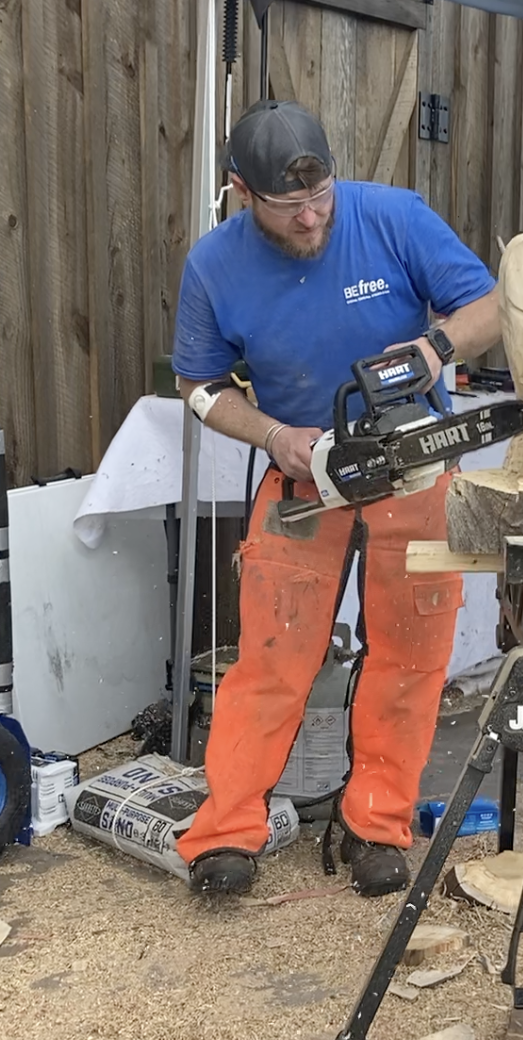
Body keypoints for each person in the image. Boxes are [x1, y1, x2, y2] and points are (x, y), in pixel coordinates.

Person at [171, 99, 501, 898]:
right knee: (272, 659)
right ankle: (227, 831)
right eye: (289, 209)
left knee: (411, 658)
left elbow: (494, 304)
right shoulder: (214, 265)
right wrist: (277, 436)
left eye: (320, 199)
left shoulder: (392, 217)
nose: (312, 218)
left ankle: (376, 824)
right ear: (242, 193)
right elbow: (199, 386)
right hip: (303, 474)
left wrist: (435, 348)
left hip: (414, 471)